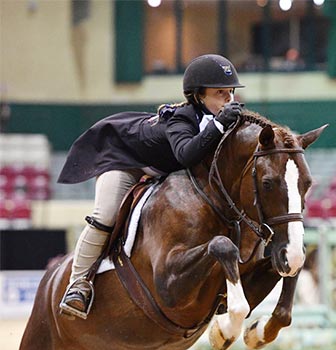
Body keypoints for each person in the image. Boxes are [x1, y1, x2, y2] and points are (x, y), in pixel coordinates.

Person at [58, 54, 245, 319]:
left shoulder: (220, 117)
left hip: (159, 170)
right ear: (199, 96)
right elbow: (185, 155)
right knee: (106, 215)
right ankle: (77, 285)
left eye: (230, 93)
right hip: (123, 160)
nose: (229, 100)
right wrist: (218, 124)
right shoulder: (182, 118)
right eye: (220, 93)